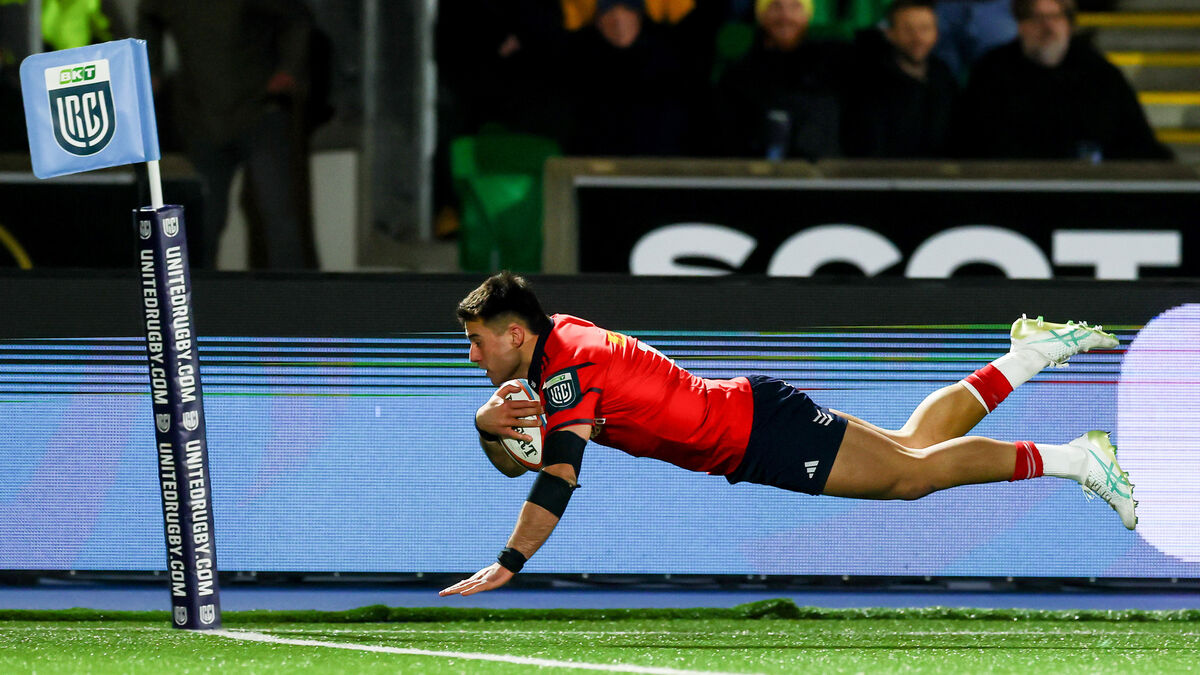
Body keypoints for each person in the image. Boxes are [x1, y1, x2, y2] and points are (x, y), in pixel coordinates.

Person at [440, 272, 1137, 597]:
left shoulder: (568, 369)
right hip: (752, 420)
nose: (472, 356)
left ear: (514, 334)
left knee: (913, 475)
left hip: (756, 432)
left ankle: (1076, 458)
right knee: (913, 445)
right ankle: (1029, 354)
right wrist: (484, 427)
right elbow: (521, 458)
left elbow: (557, 471)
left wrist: (510, 561)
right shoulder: (557, 341)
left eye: (477, 341)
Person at [138, 0, 320, 269]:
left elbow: (297, 19)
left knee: (278, 216)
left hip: (260, 110)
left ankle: (290, 292)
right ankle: (197, 292)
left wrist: (289, 70)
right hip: (201, 116)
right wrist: (151, 69)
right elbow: (149, 17)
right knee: (204, 220)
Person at [954, 0, 1171, 161]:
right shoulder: (992, 72)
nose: (1047, 27)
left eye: (1055, 17)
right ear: (1020, 25)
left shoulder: (1100, 75)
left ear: (1068, 24)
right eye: (1036, 17)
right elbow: (970, 142)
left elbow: (1137, 141)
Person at [712, 0, 852, 160]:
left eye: (795, 7)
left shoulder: (834, 67)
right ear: (761, 15)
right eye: (776, 7)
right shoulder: (738, 75)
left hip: (823, 171)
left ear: (807, 15)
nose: (785, 16)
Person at [843, 0, 958, 158]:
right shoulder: (871, 84)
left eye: (925, 29)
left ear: (936, 33)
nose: (918, 38)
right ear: (890, 34)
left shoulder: (943, 77)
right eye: (908, 30)